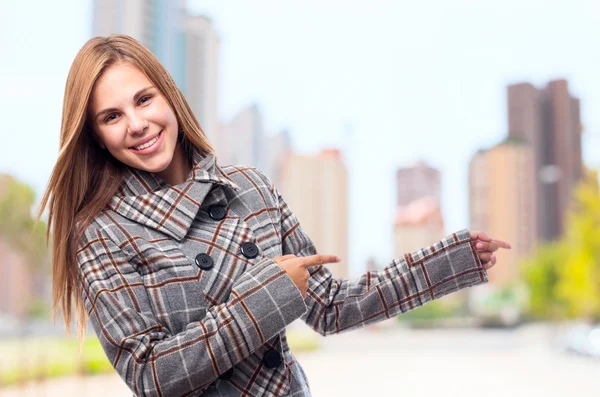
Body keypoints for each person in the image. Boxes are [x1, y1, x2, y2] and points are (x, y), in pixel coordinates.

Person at [39, 34, 510, 397]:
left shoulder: (249, 187)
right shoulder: (101, 234)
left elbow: (330, 307)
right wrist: (267, 296)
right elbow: (151, 374)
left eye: (143, 100)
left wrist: (450, 261)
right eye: (112, 116)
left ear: (168, 96)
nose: (137, 124)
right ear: (96, 136)